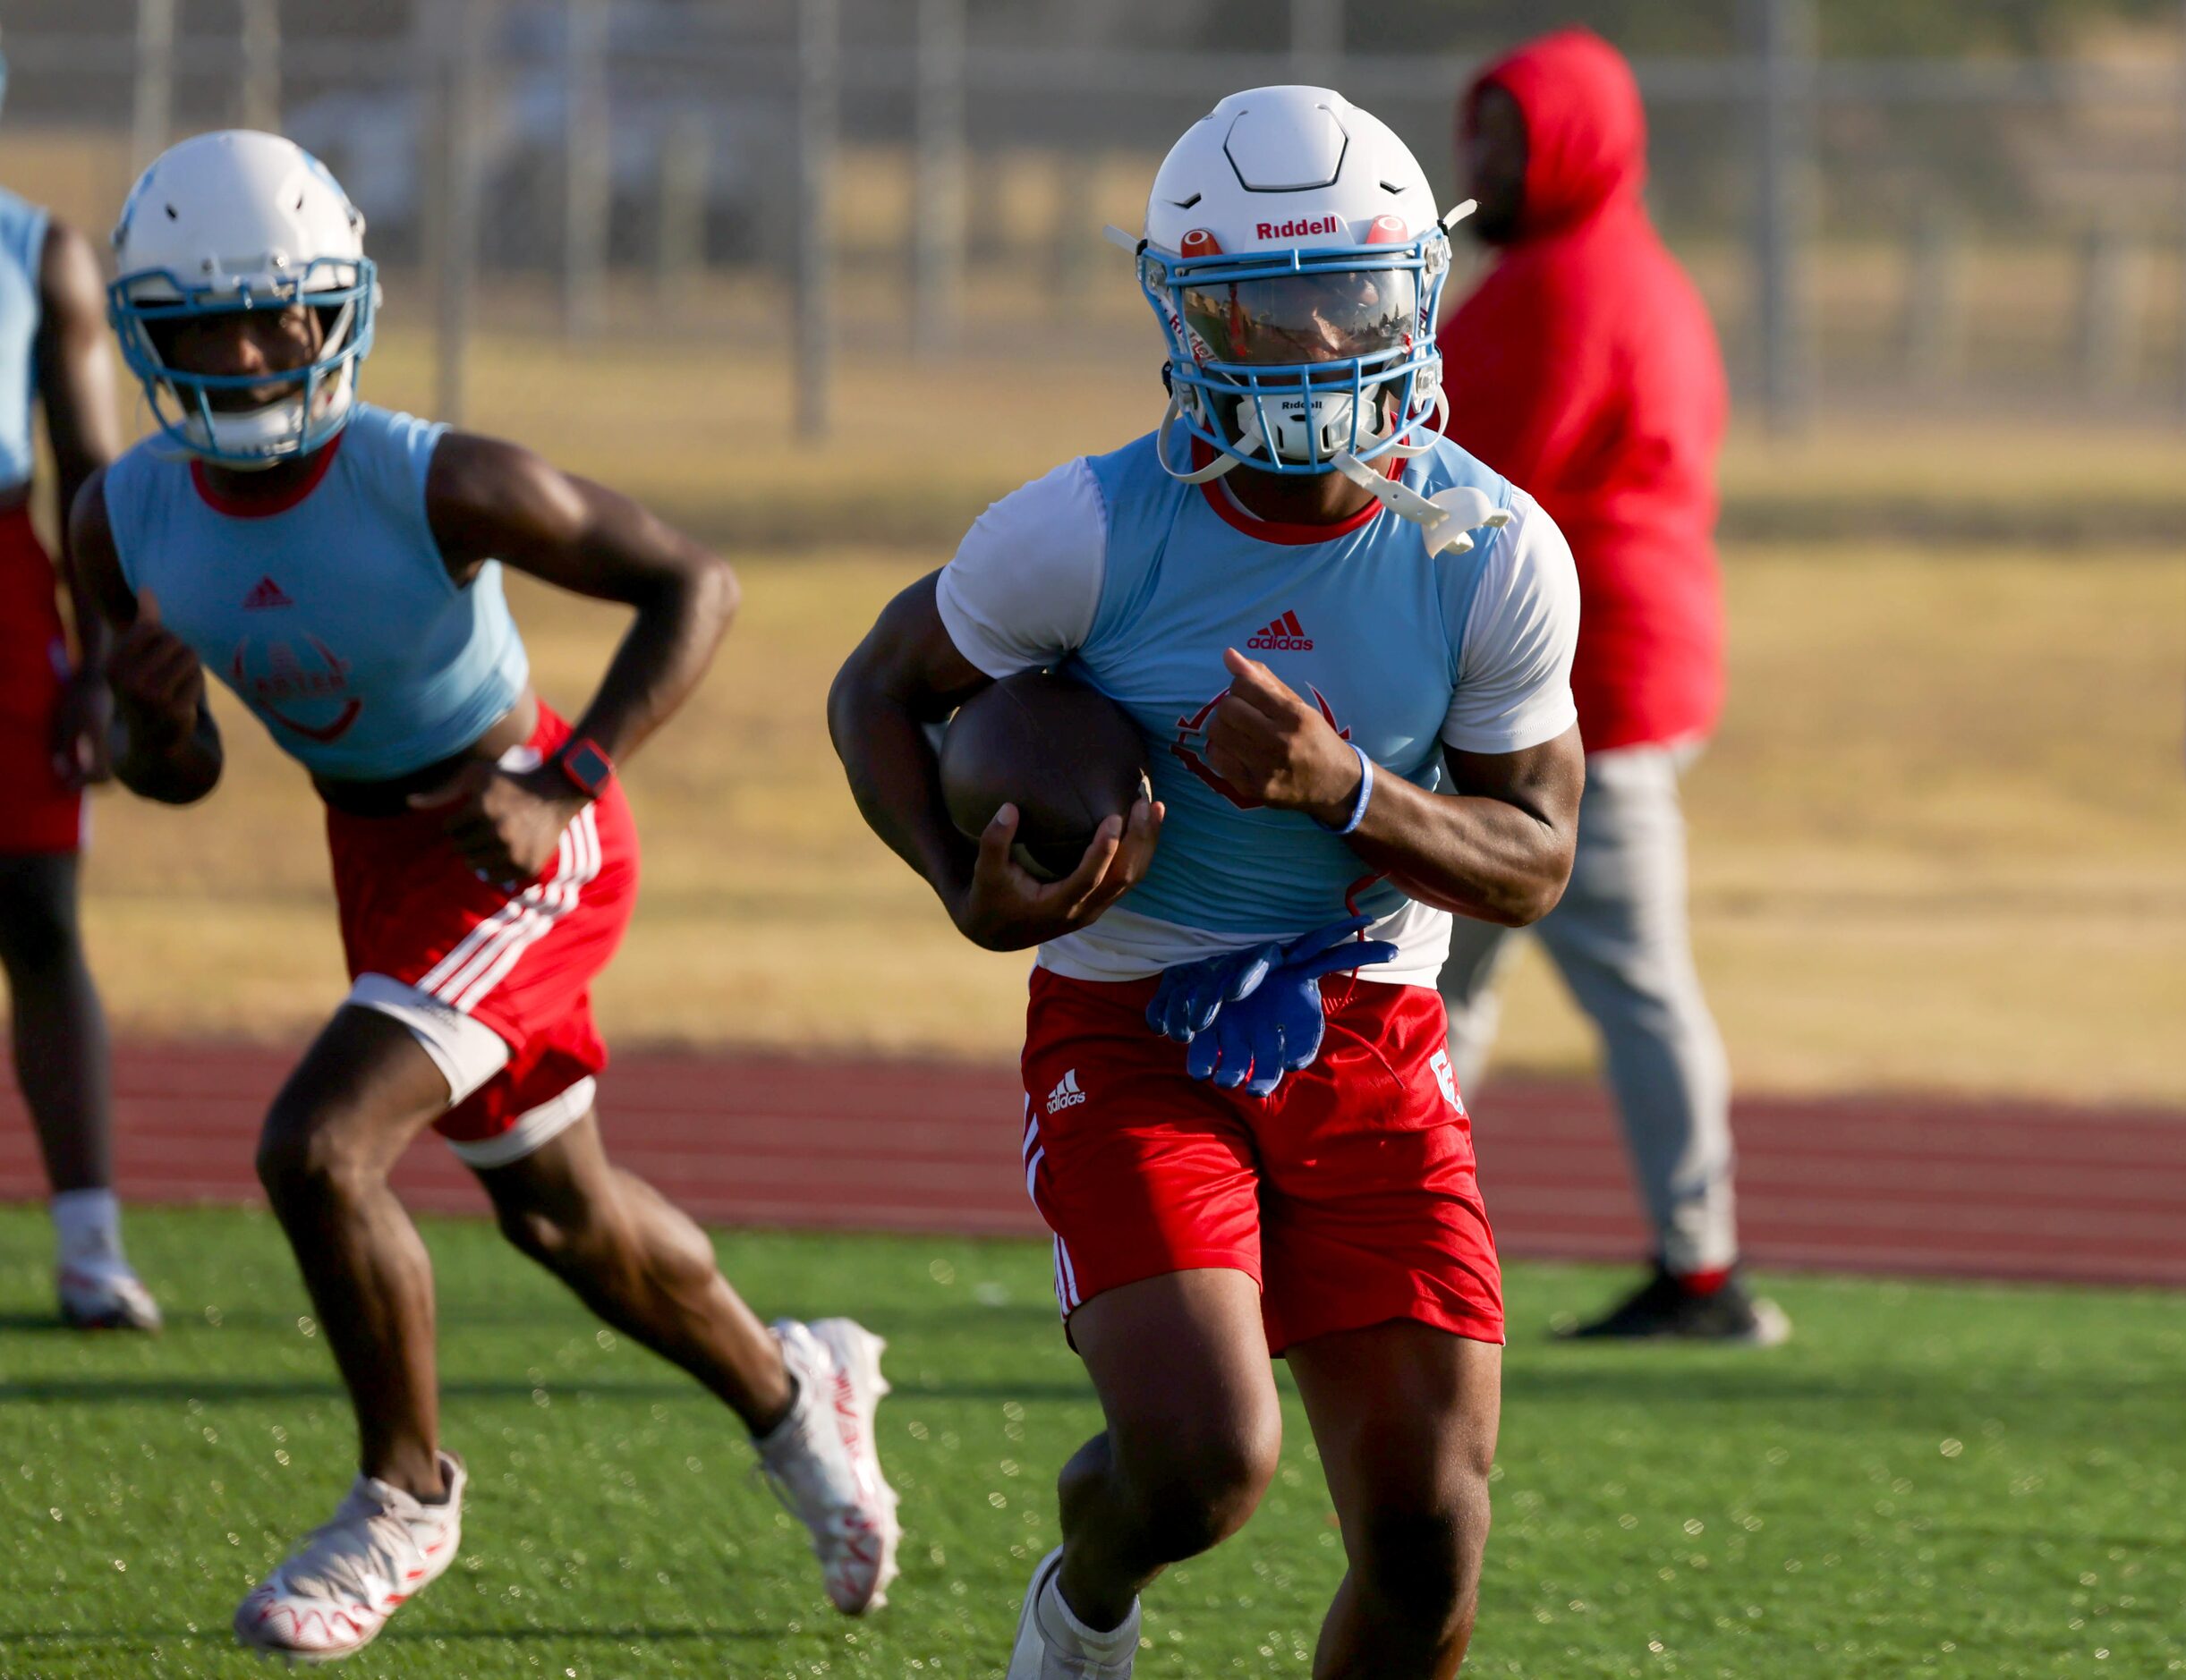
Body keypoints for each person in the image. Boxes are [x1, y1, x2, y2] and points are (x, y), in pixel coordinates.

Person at [72, 132, 900, 1660]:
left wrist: (568, 778)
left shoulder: (434, 476)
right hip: (377, 859)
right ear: (146, 335)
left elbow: (693, 581)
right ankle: (800, 1393)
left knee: (317, 1149)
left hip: (518, 829)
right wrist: (157, 720)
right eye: (204, 326)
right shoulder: (121, 517)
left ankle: (403, 1496)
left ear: (338, 315)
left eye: (277, 317)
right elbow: (168, 774)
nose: (247, 356)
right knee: (560, 1215)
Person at [831, 85, 1580, 1680]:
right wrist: (961, 885)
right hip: (1130, 1017)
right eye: (1263, 300)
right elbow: (875, 691)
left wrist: (1348, 790)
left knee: (1429, 1539)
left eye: (1353, 294)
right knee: (1203, 1462)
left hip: (1368, 1020)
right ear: (1185, 311)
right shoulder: (1087, 530)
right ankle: (1080, 1602)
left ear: (1418, 295)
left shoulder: (1490, 549)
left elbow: (1536, 857)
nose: (1313, 342)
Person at [1433, 28, 1775, 1345]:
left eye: (1506, 140)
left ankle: (1706, 1272)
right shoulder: (1628, 270)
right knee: (1443, 974)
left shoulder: (1559, 290)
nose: (1480, 164)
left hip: (1582, 691)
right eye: (1478, 135)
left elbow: (1460, 488)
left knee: (1624, 980)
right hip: (1610, 667)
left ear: (1573, 145)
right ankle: (1397, 1234)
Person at [0, 47, 154, 1331]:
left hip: (4, 588)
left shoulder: (36, 250)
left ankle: (90, 1238)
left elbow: (92, 468)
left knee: (39, 914)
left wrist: (103, 665)